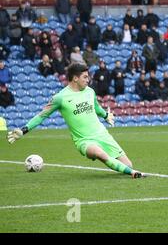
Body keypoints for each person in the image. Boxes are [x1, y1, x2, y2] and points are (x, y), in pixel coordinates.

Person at [6, 63, 145, 178]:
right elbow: (42, 115)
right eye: (85, 77)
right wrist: (24, 130)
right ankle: (132, 174)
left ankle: (129, 169)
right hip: (84, 140)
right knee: (99, 153)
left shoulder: (90, 91)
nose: (88, 79)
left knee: (128, 164)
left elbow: (96, 108)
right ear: (75, 78)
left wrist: (105, 116)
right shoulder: (60, 98)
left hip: (102, 134)